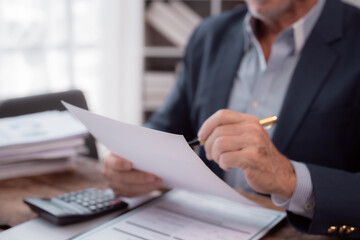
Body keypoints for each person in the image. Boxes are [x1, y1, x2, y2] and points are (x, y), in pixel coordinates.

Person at [102, 0, 360, 238]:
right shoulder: (209, 35)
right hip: (200, 226)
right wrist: (132, 160)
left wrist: (288, 179)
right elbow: (167, 127)